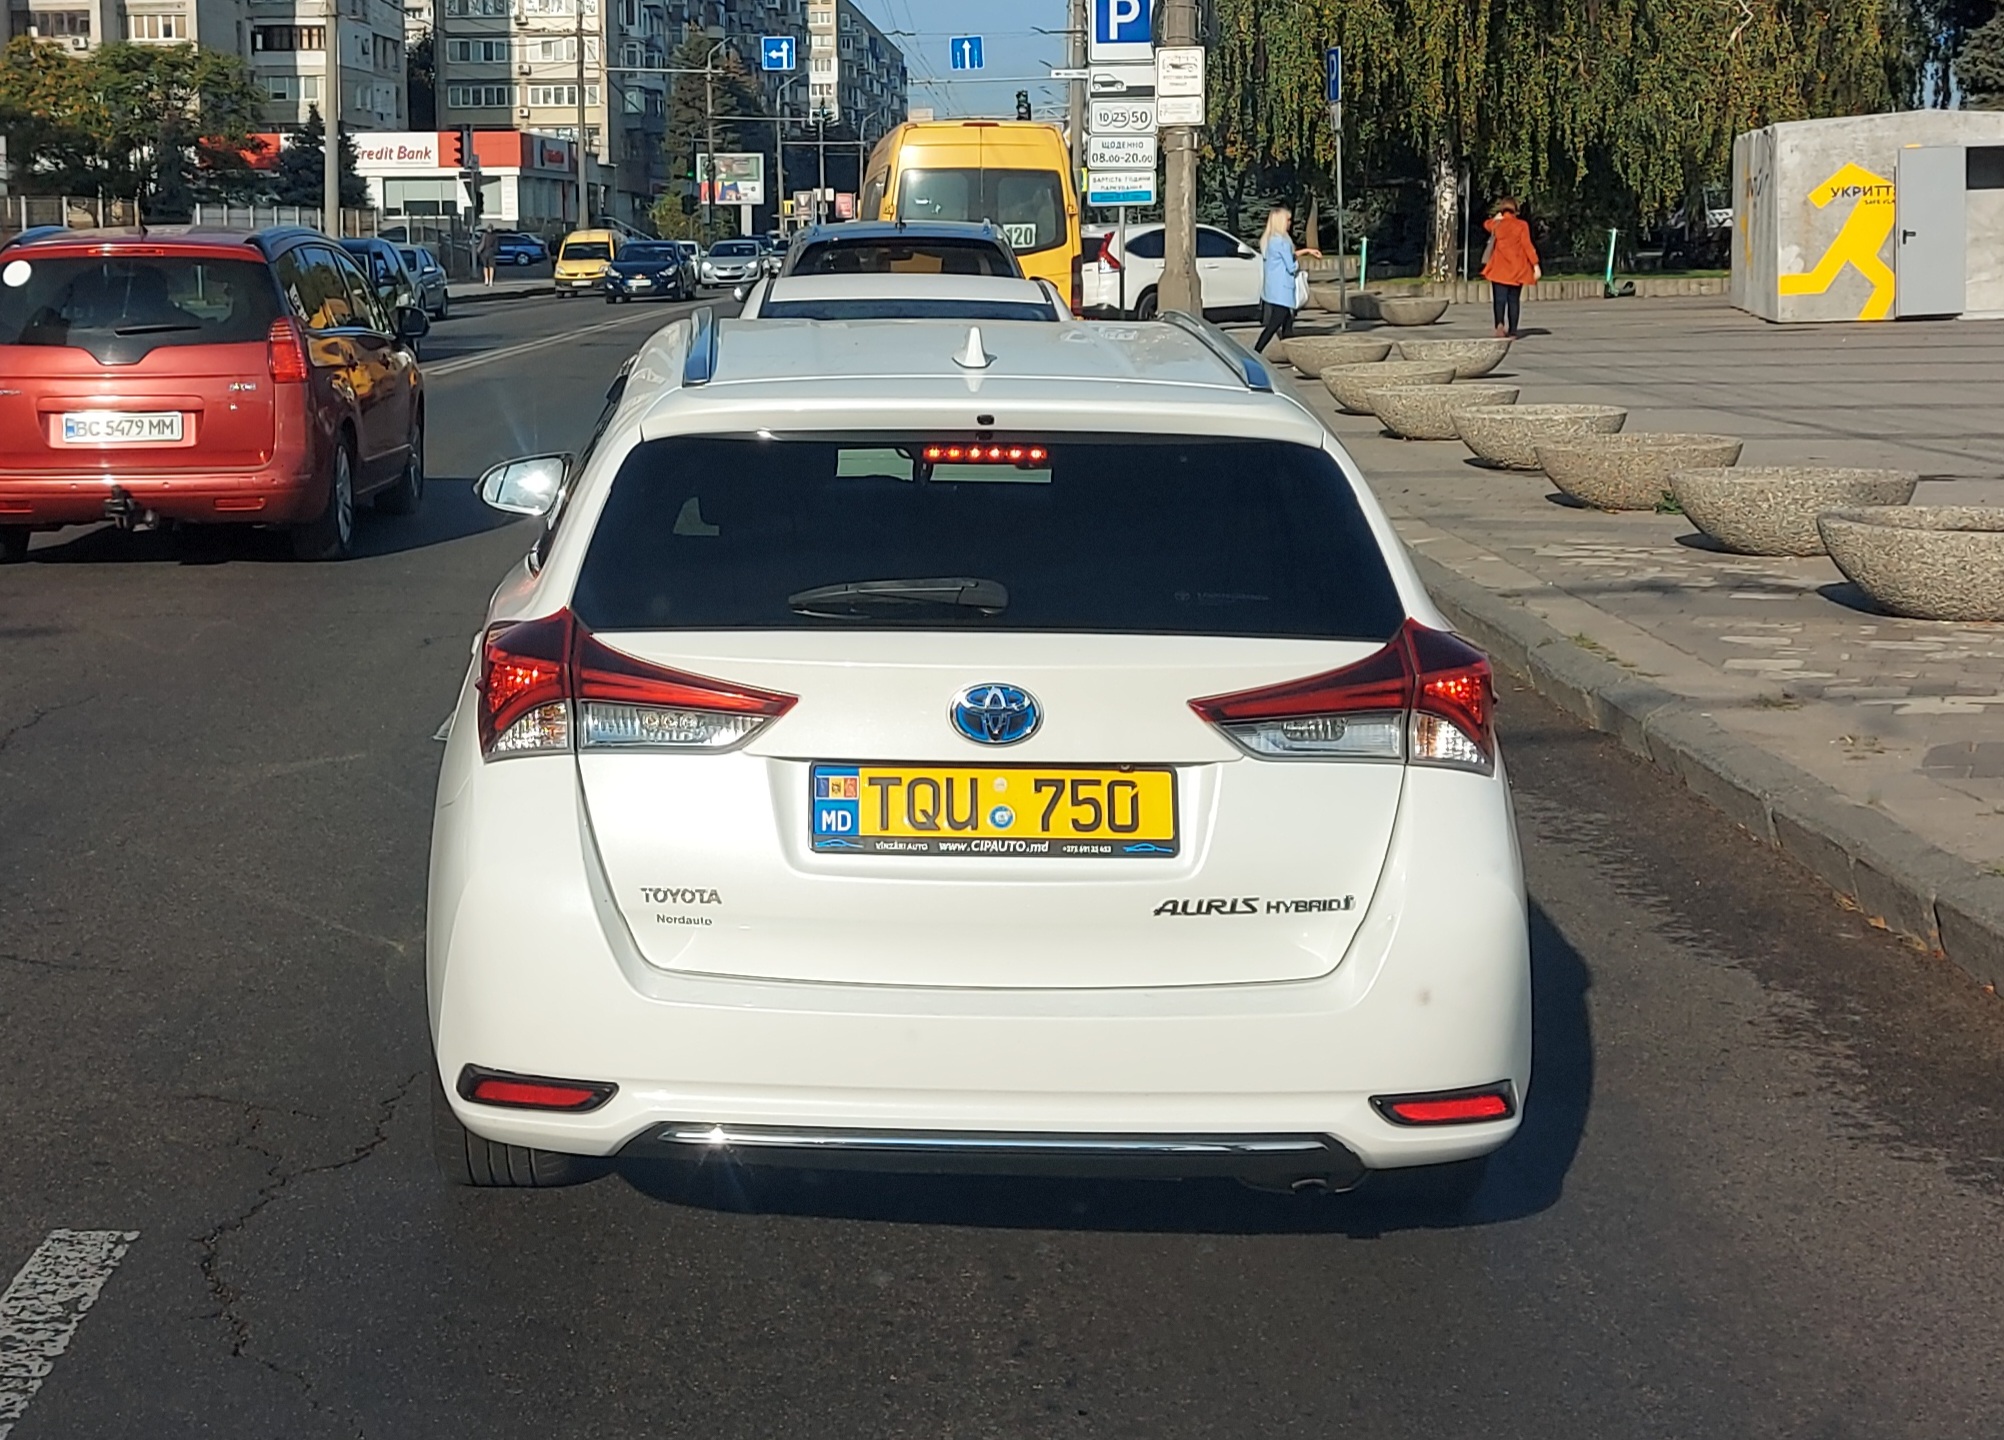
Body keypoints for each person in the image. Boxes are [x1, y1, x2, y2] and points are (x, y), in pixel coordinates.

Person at [1253, 206, 1321, 353]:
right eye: (1288, 220)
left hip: (1273, 289)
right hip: (1283, 290)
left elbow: (1286, 256)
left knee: (1287, 323)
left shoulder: (1270, 240)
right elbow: (1291, 266)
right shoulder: (1282, 241)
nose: (1290, 223)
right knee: (1275, 323)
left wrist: (1307, 251)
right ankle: (1256, 351)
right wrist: (1298, 264)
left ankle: (1292, 356)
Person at [1481, 198, 1540, 339]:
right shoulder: (1521, 225)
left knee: (1499, 300)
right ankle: (1513, 331)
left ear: (1502, 210)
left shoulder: (1497, 225)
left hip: (1498, 269)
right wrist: (1535, 265)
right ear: (1516, 210)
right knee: (1514, 301)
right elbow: (1527, 246)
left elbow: (1486, 224)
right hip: (1517, 270)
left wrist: (1496, 218)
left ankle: (1499, 325)